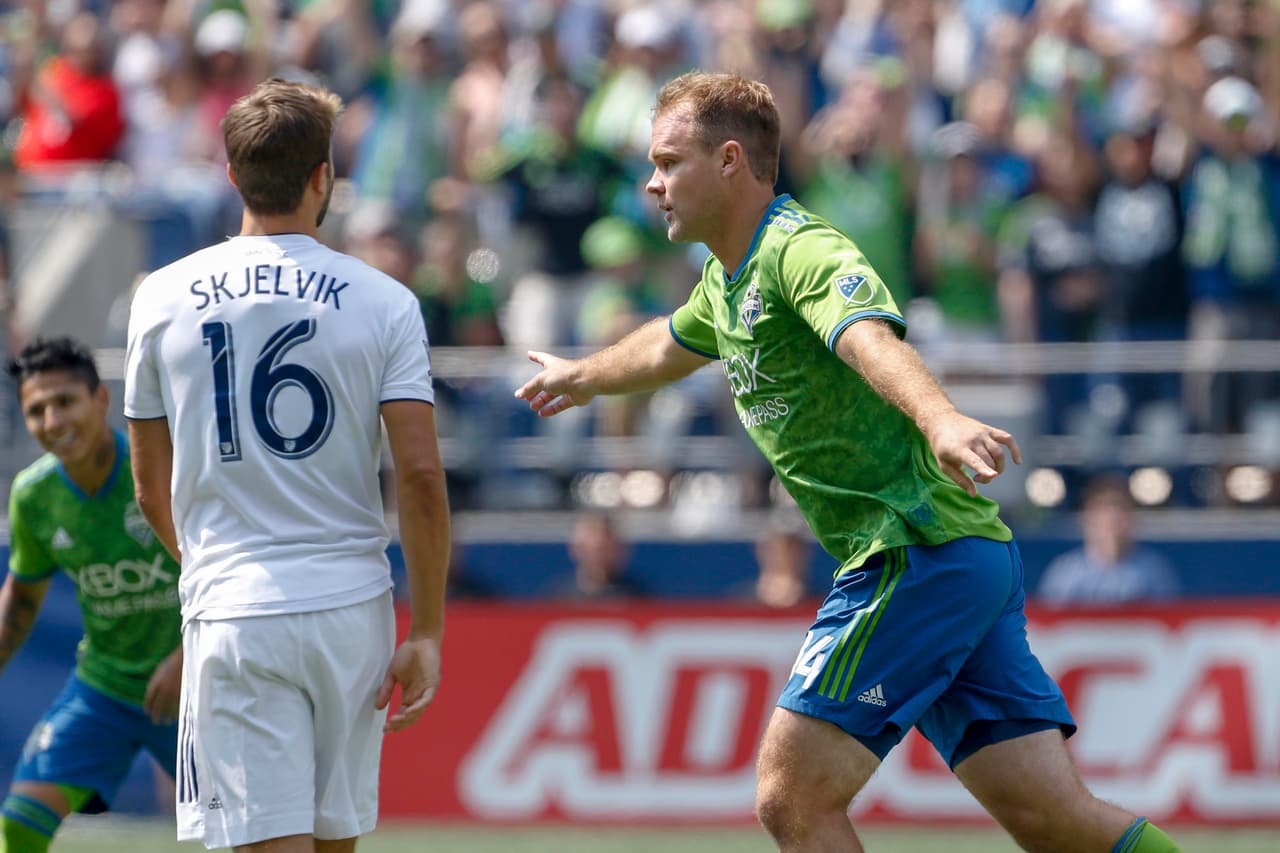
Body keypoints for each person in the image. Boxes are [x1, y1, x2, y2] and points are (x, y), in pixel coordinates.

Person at [515, 71, 1179, 852]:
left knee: (790, 796)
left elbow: (867, 337)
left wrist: (938, 418)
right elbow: (666, 341)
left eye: (669, 161)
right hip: (961, 555)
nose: (652, 183)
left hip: (911, 551)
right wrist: (580, 375)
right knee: (1054, 821)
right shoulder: (725, 281)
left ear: (730, 161)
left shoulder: (800, 248)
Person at [123, 78, 450, 852]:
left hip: (237, 609)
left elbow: (148, 482)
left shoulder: (162, 296)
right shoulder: (386, 300)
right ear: (322, 177)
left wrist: (209, 565)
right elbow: (422, 480)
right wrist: (428, 626)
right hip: (352, 611)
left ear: (231, 175)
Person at [1, 337, 182, 853]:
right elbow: (20, 602)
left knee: (252, 833)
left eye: (65, 402)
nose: (53, 420)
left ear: (101, 400)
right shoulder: (34, 495)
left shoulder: (160, 468)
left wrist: (190, 656)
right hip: (102, 690)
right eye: (36, 410)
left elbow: (227, 569)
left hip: (195, 685)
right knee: (19, 824)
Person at [1037, 474, 1181, 607]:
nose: (1112, 518)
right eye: (1103, 510)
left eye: (1121, 509)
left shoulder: (1153, 571)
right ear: (1086, 519)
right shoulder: (1065, 574)